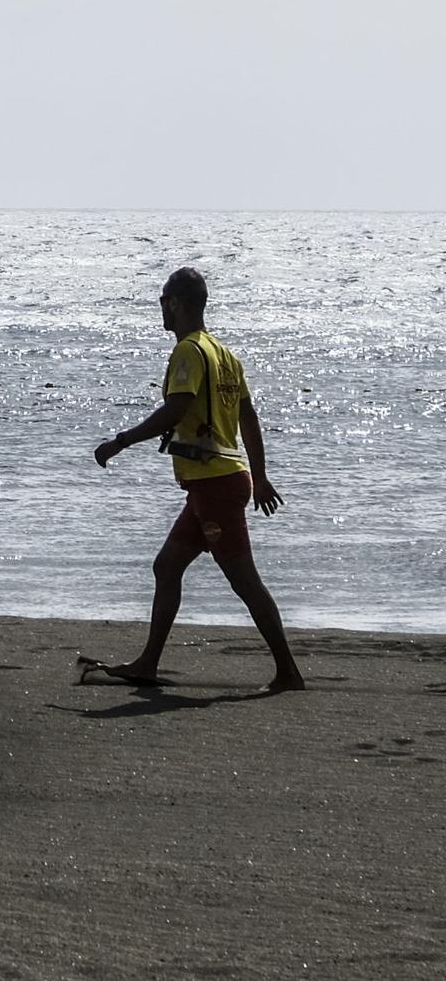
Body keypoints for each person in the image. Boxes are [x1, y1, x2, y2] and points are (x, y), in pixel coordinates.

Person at [86, 267, 304, 693]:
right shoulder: (224, 354)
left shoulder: (188, 351)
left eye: (163, 300)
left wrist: (121, 441)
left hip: (215, 486)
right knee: (166, 567)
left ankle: (288, 672)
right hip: (217, 483)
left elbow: (177, 408)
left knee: (244, 580)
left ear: (178, 303)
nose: (160, 309)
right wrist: (258, 476)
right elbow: (248, 417)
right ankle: (147, 663)